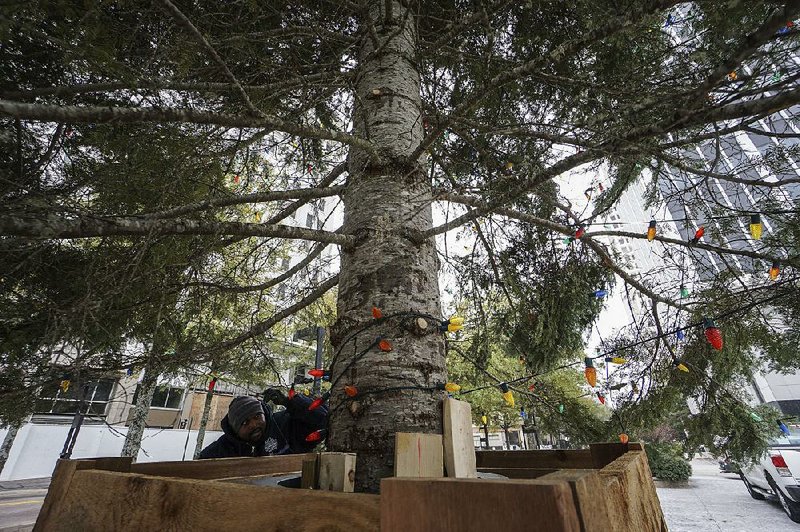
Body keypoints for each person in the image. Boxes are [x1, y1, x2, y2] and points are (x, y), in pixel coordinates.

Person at [198, 388, 327, 459]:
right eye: (245, 423)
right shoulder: (224, 449)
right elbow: (199, 467)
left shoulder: (285, 425)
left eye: (257, 416)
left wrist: (291, 402)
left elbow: (323, 420)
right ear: (235, 429)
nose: (254, 424)